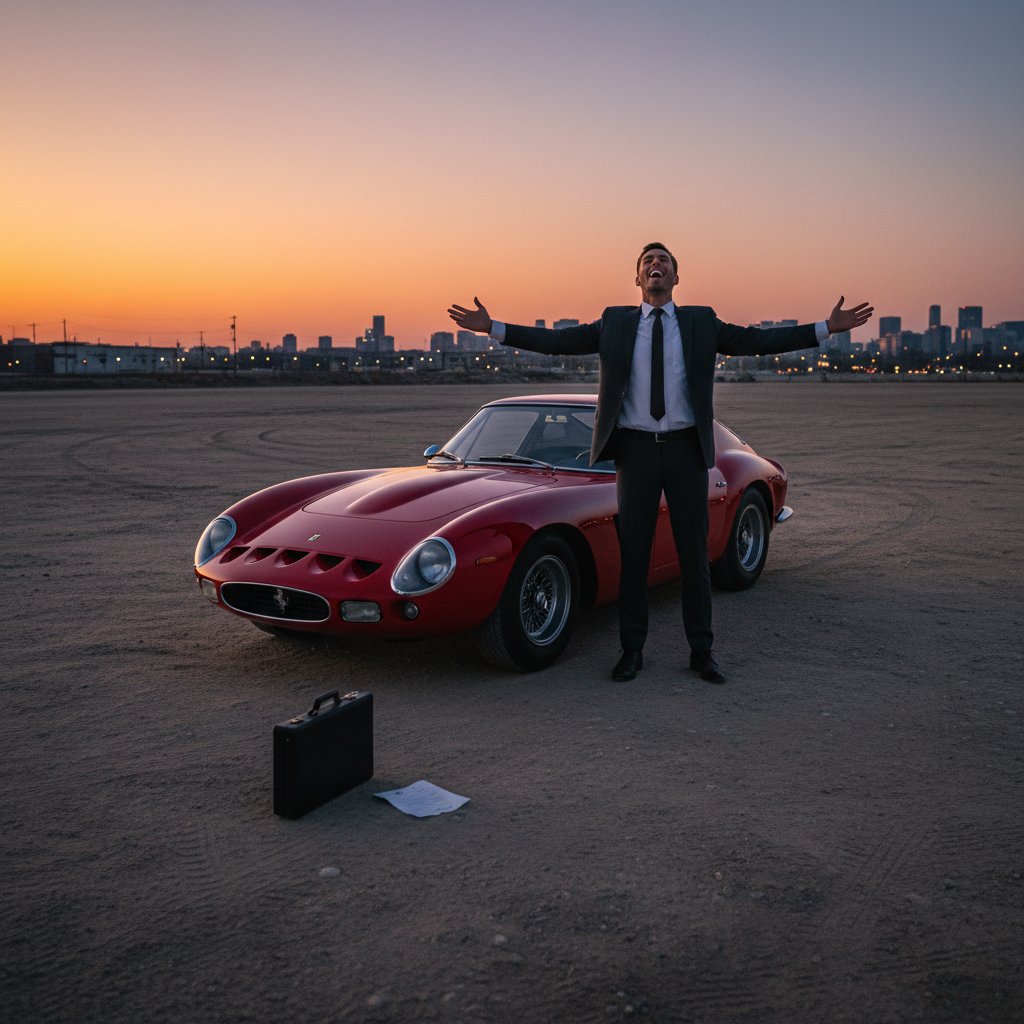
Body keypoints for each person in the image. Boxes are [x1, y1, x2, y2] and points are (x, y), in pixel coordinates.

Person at [448, 243, 872, 684]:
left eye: (664, 262)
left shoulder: (700, 322)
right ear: (637, 279)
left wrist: (826, 328)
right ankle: (632, 651)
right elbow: (557, 343)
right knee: (634, 556)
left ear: (675, 279)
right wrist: (493, 328)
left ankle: (702, 652)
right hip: (635, 453)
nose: (656, 266)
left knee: (694, 556)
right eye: (648, 262)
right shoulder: (614, 322)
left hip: (687, 452)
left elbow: (758, 341)